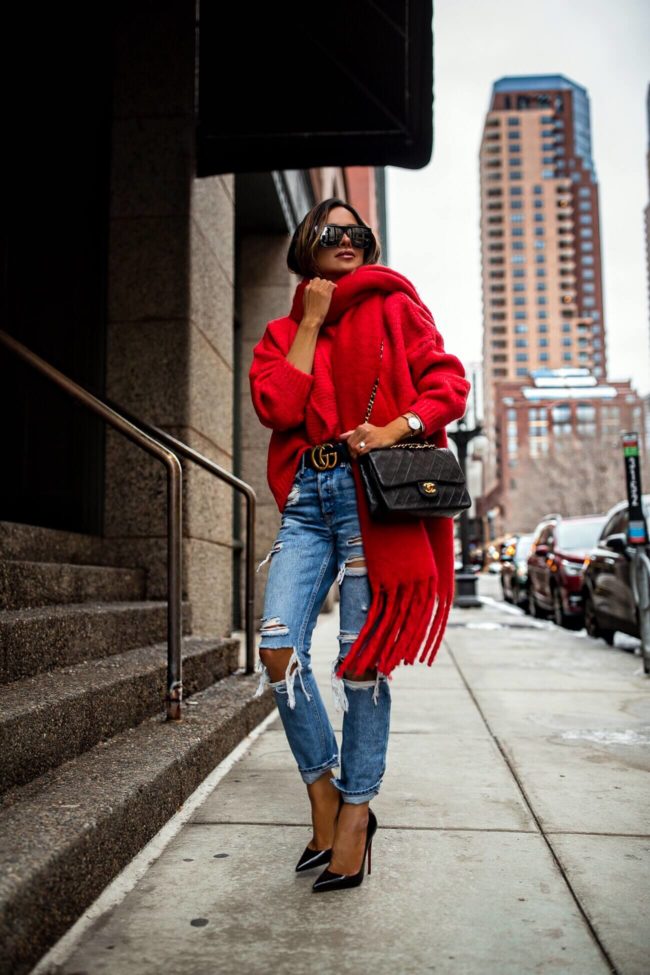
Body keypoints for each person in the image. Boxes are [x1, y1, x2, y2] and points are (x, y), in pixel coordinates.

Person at [248, 198, 470, 892]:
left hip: (372, 499)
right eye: (330, 232)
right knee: (278, 645)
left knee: (359, 663)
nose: (346, 240)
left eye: (357, 233)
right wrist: (311, 323)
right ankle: (324, 791)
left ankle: (356, 812)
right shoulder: (282, 330)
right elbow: (281, 408)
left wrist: (393, 427)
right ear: (305, 247)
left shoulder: (395, 305)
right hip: (308, 504)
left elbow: (449, 385)